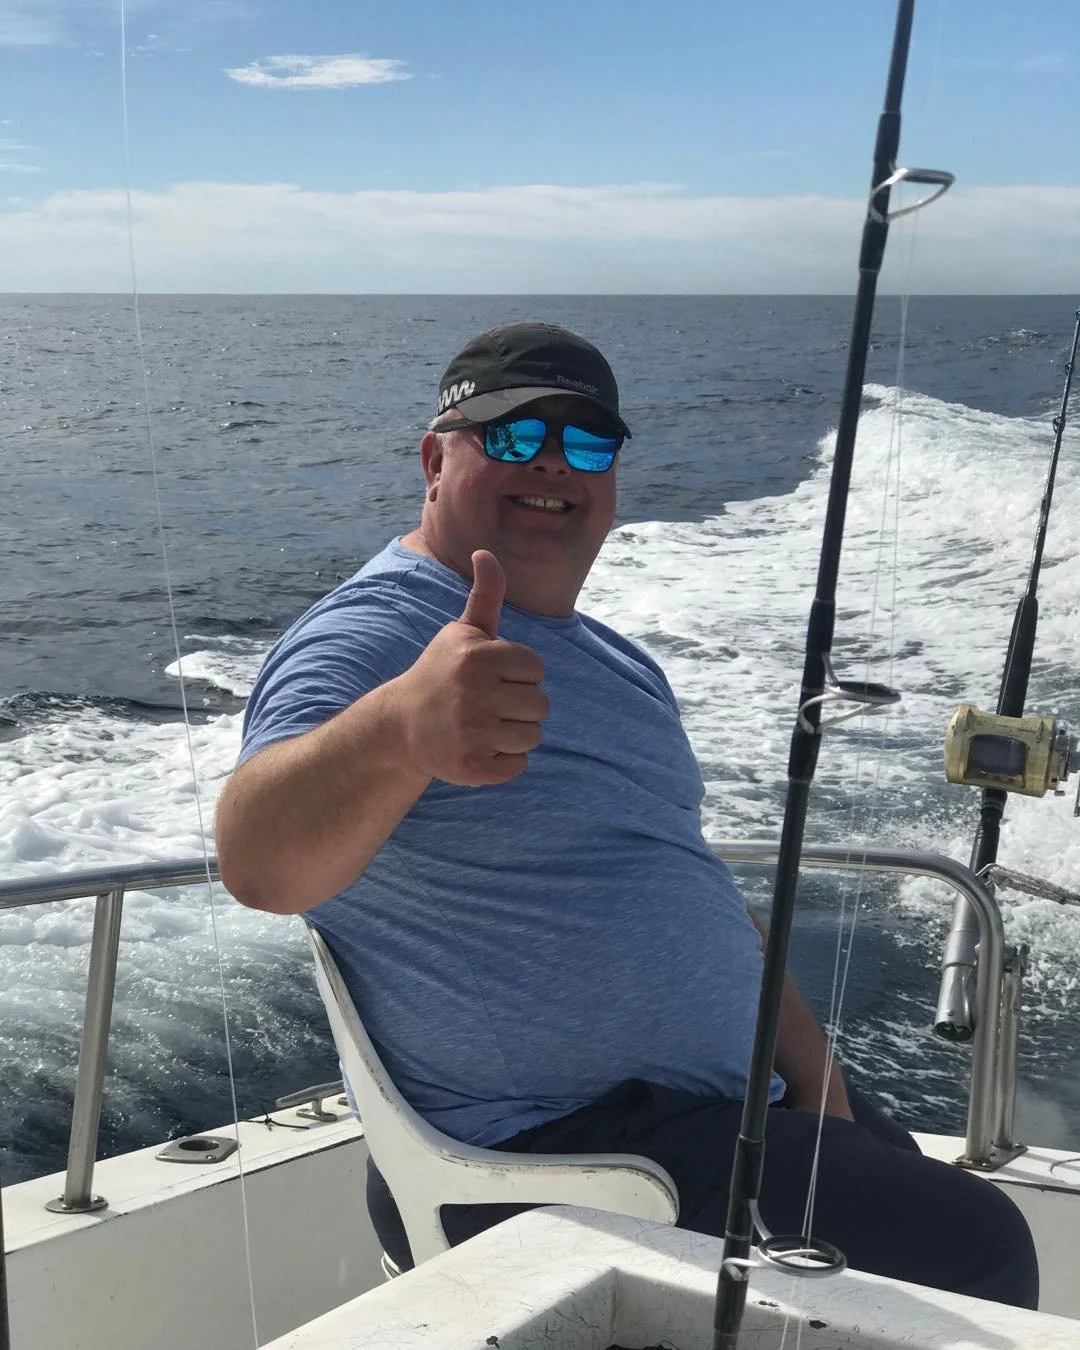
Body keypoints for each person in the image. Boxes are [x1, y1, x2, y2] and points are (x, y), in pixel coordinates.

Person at [215, 322, 1038, 1307]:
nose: (555, 464)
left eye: (588, 443)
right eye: (513, 436)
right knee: (979, 1251)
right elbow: (256, 863)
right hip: (553, 1160)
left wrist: (823, 1088)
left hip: (716, 1122)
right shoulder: (379, 632)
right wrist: (397, 729)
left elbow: (695, 890)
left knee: (935, 1213)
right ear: (436, 461)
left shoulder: (619, 664)